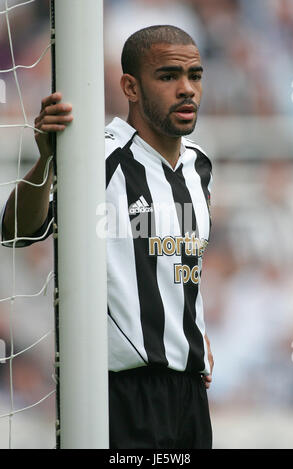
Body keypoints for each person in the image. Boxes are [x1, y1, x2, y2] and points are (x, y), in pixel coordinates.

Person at [1, 25, 214, 449]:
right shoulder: (97, 155)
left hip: (191, 394)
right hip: (121, 395)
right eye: (169, 76)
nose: (187, 89)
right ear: (130, 87)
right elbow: (16, 232)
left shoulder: (199, 166)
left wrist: (195, 331)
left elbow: (180, 261)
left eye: (195, 75)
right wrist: (47, 161)